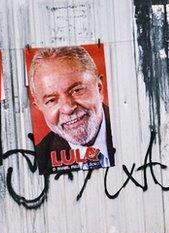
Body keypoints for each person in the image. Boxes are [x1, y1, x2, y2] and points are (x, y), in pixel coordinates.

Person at [28, 46, 114, 174]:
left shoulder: (134, 130)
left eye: (76, 90)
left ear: (99, 88)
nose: (68, 109)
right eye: (51, 100)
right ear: (39, 106)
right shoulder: (38, 160)